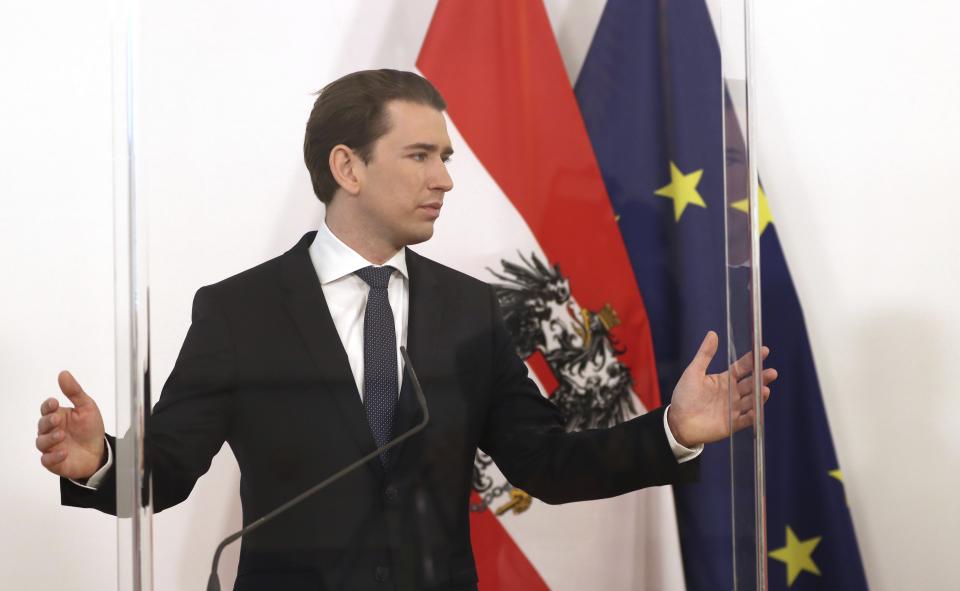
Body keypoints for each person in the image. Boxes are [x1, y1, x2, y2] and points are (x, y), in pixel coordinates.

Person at [35, 69, 777, 591]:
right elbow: (170, 465)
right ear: (347, 168)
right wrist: (100, 458)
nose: (445, 178)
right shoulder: (239, 311)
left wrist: (673, 430)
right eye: (420, 155)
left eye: (446, 157)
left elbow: (546, 464)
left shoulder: (469, 311)